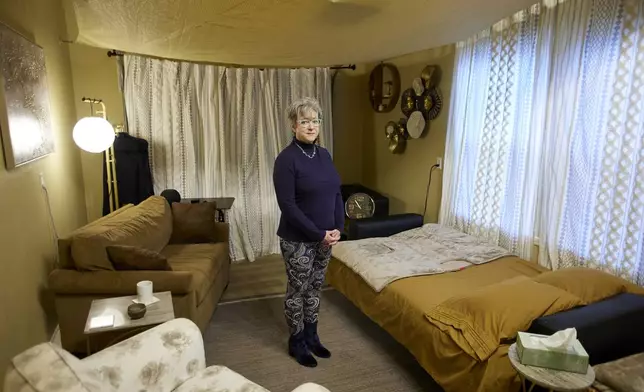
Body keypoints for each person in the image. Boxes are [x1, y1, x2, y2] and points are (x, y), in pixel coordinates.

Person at [273, 97, 344, 368]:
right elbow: (287, 206)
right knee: (298, 289)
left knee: (315, 287)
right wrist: (318, 233)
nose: (311, 126)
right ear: (294, 125)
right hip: (298, 239)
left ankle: (313, 336)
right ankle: (297, 341)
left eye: (315, 121)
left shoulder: (324, 154)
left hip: (325, 237)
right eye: (305, 121)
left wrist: (338, 227)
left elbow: (336, 192)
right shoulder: (286, 159)